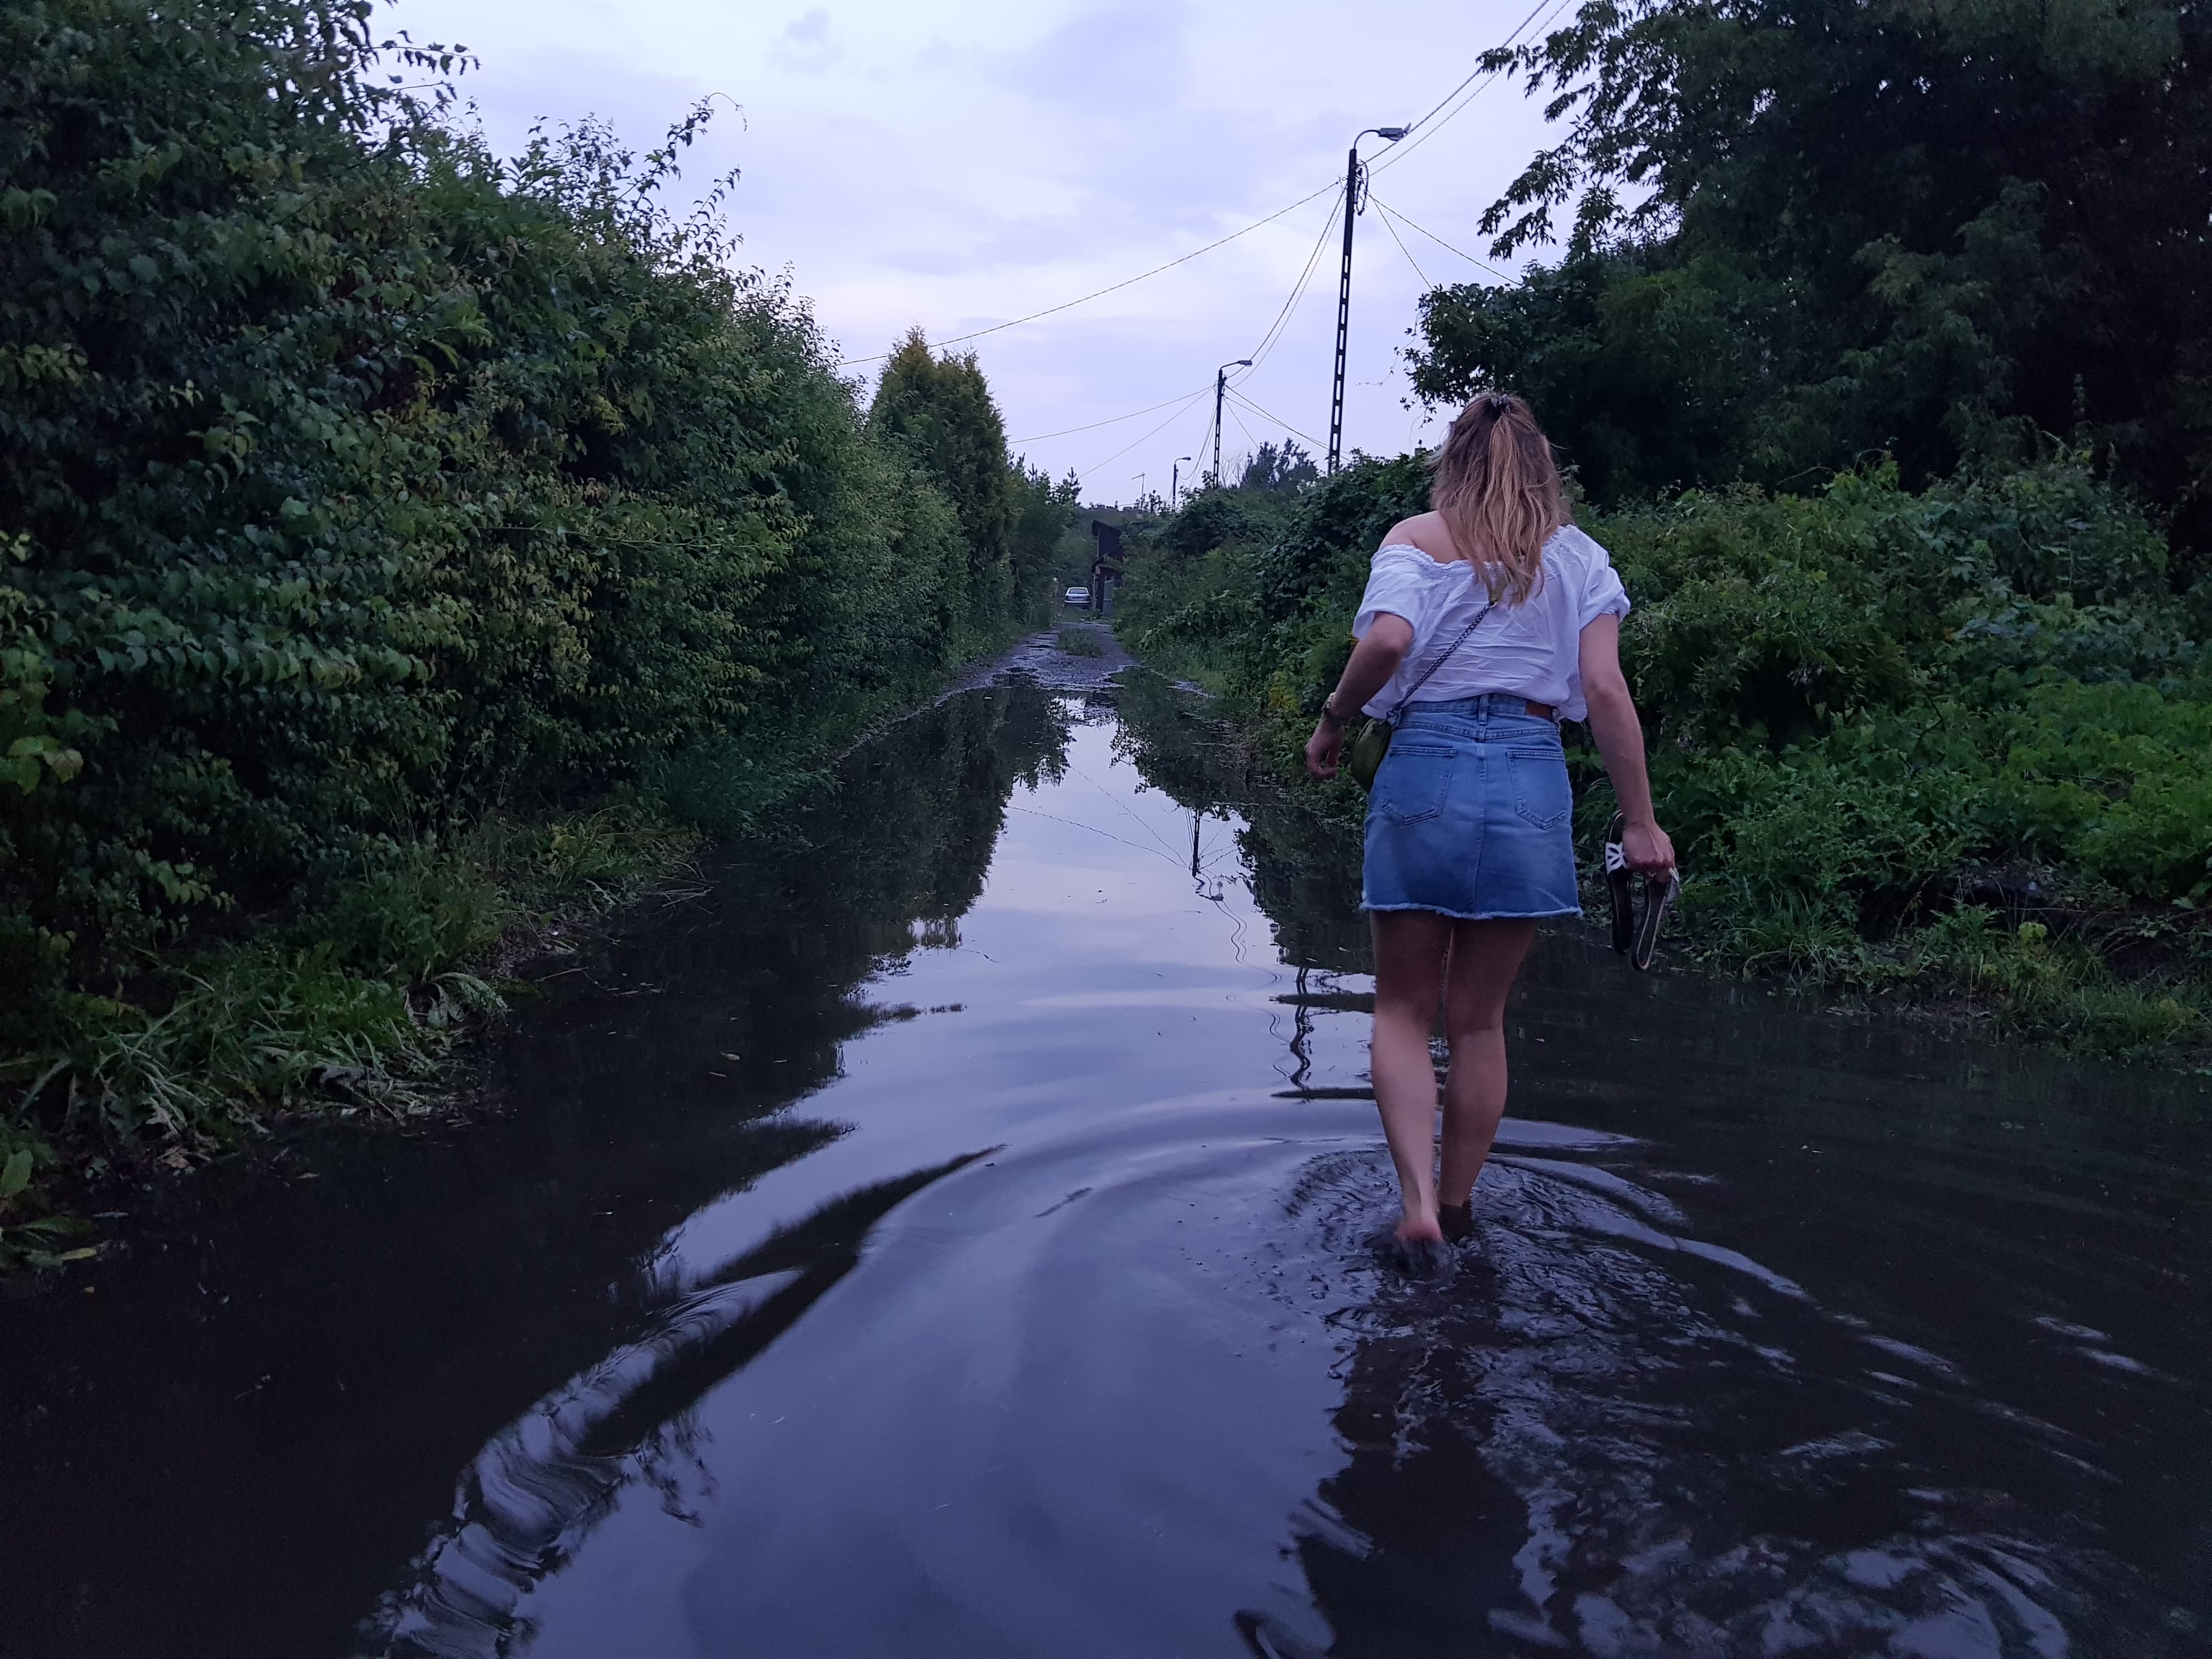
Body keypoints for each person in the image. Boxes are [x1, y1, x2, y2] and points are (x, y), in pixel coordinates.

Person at [1303, 392, 1675, 1271]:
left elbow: (1389, 641)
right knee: (1478, 1023)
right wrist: (1642, 821)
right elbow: (1607, 691)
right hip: (1530, 775)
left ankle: (1417, 1206)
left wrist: (1333, 716)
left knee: (1400, 1008)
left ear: (1454, 462)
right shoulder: (1581, 559)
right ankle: (1462, 1207)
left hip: (1426, 766)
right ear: (1544, 467)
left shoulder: (1414, 539)